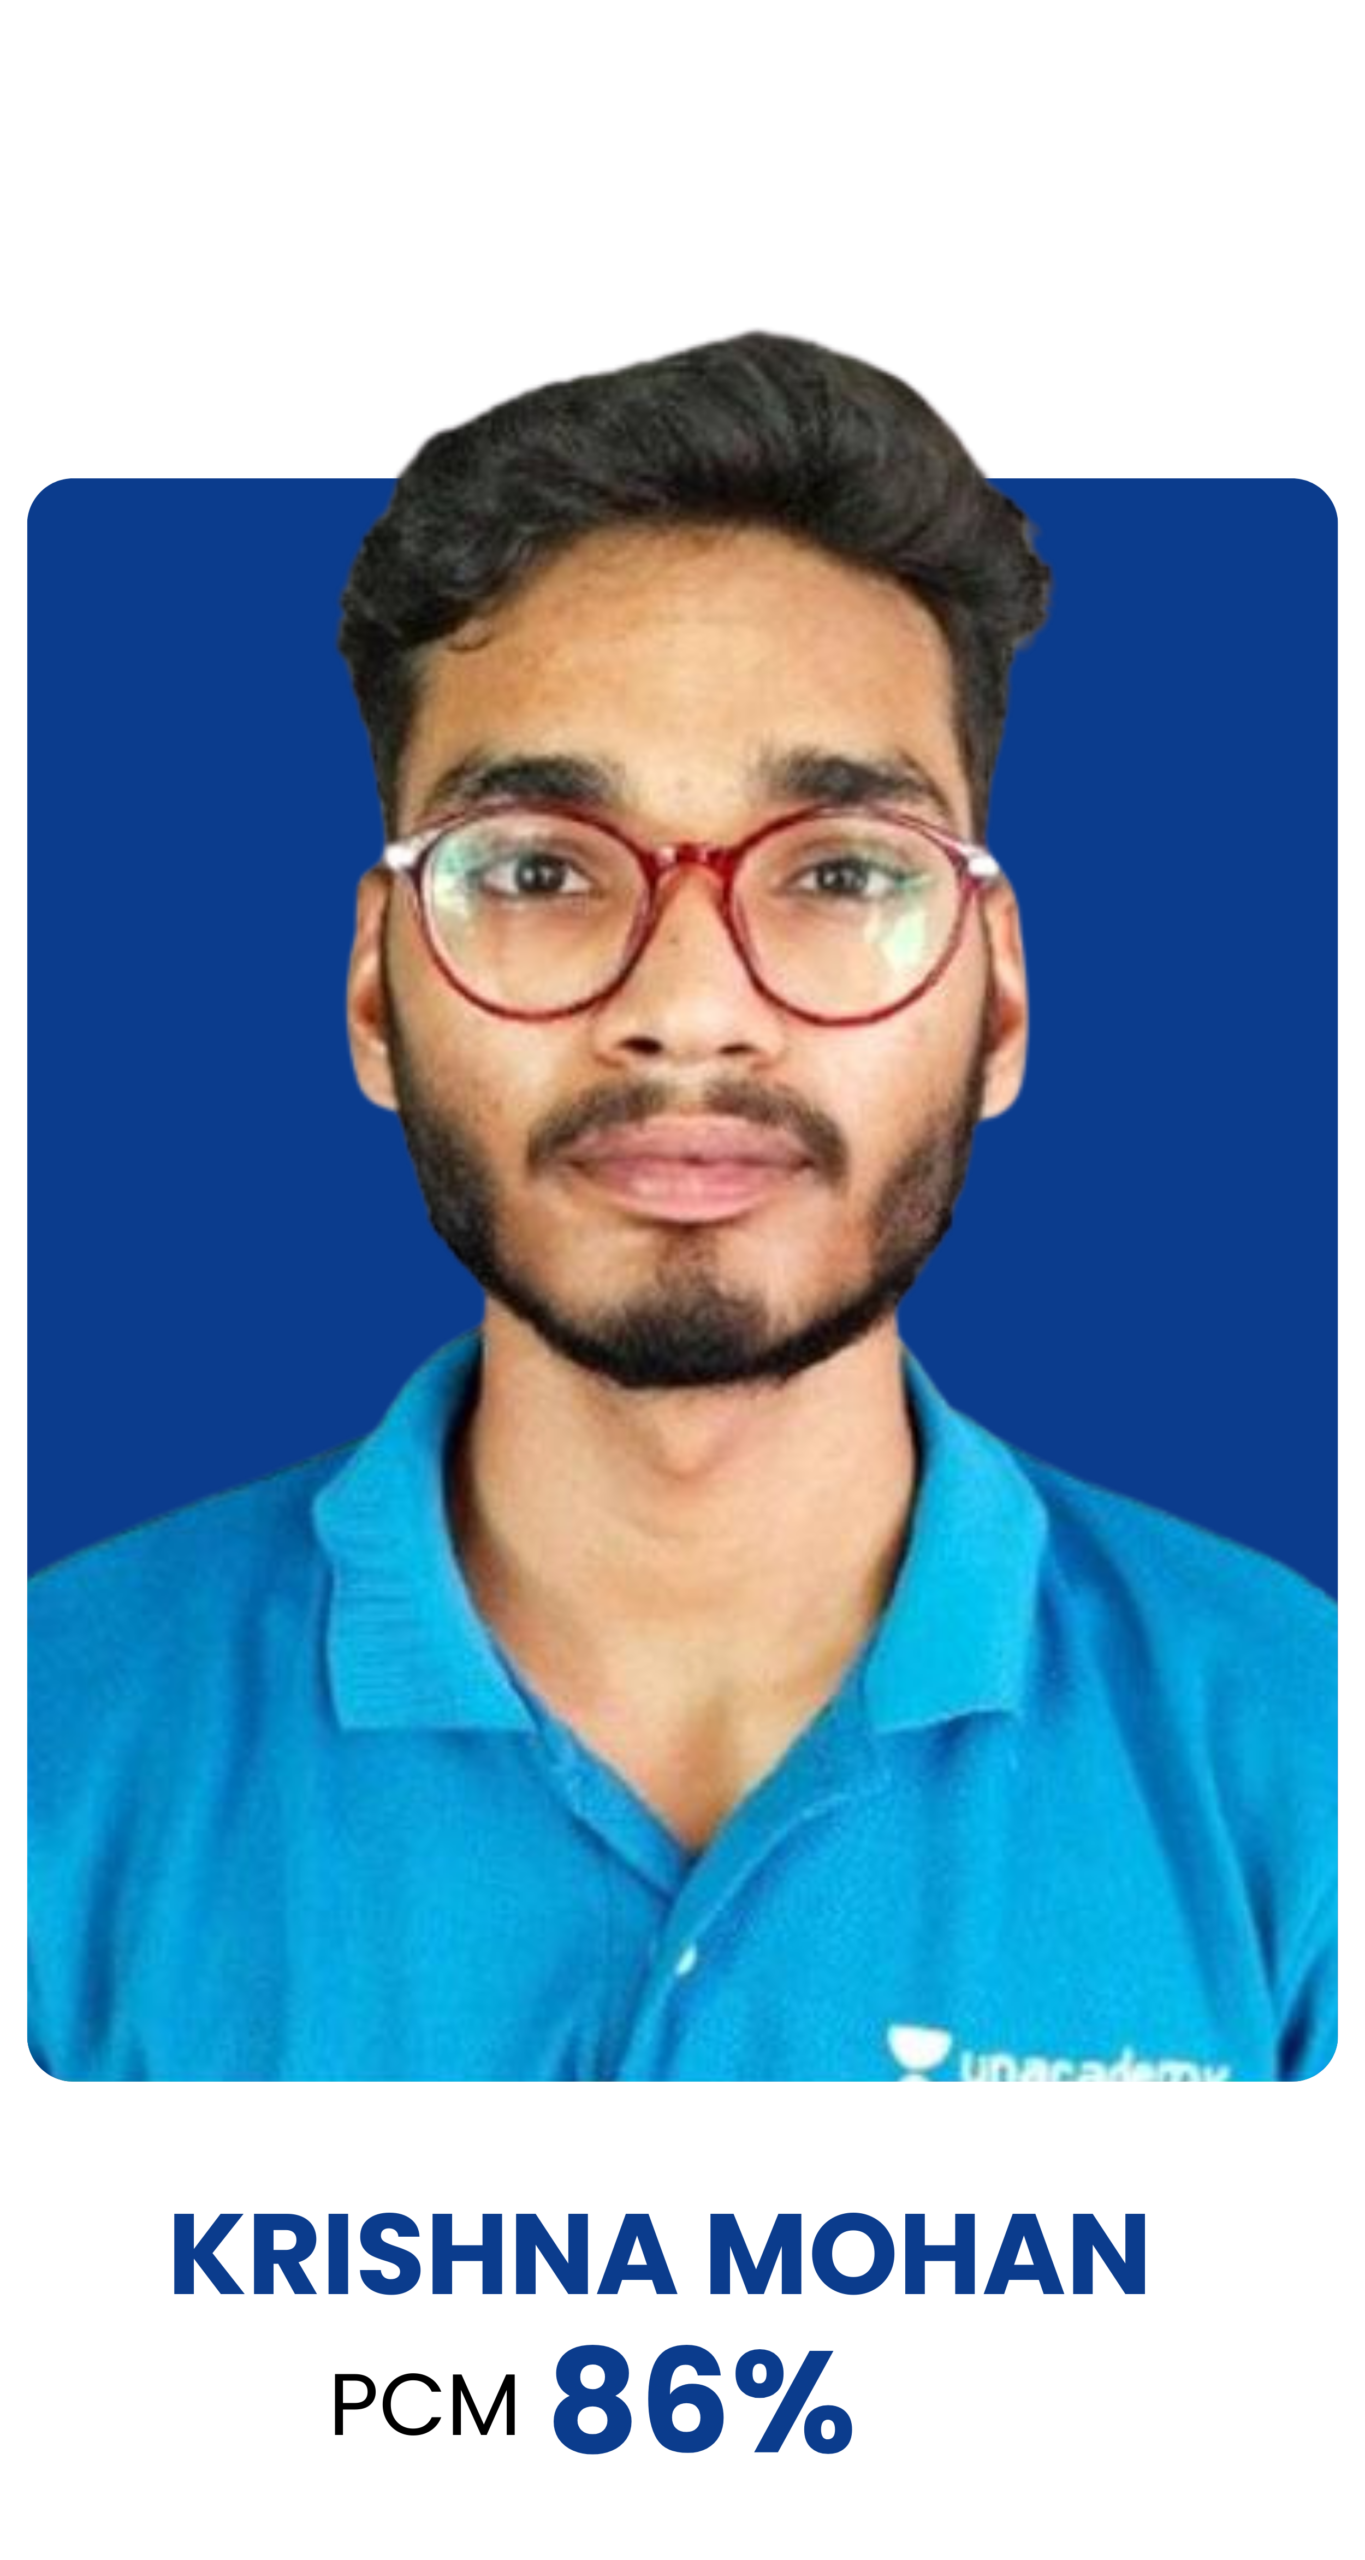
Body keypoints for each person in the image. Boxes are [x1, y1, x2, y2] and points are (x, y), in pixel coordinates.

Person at [27, 334, 1336, 2083]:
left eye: (842, 871)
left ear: (1004, 1000)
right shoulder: (54, 1746)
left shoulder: (1304, 1763)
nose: (692, 1007)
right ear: (373, 993)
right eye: (540, 870)